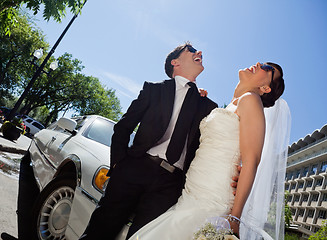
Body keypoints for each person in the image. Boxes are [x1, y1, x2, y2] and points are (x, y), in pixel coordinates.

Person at [128, 62, 291, 240]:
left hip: (212, 197)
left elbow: (252, 160)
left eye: (267, 68)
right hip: (191, 192)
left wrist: (234, 218)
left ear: (265, 88)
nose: (259, 64)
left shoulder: (251, 100)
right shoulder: (235, 104)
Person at [79, 43, 219, 240]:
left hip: (170, 185)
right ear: (175, 62)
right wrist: (119, 165)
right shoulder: (154, 90)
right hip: (134, 169)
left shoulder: (207, 105)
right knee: (99, 232)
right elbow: (123, 127)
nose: (200, 53)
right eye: (192, 50)